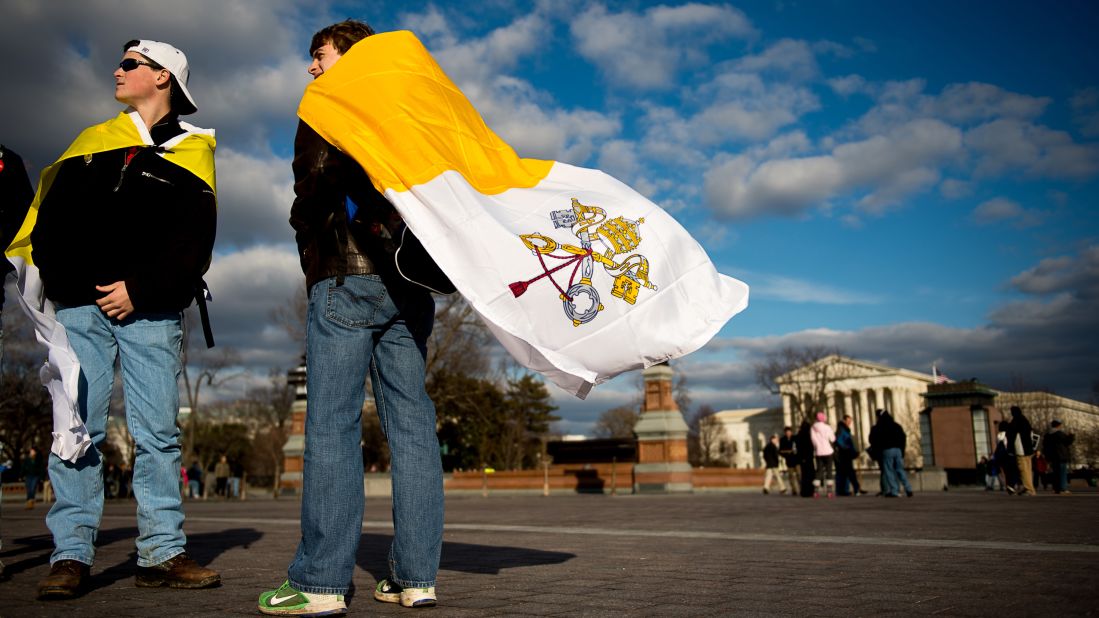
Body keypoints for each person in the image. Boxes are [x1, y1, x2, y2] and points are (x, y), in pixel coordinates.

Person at [258, 20, 443, 615]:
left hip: (348, 274)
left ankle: (320, 583)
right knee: (412, 427)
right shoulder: (413, 113)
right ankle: (415, 578)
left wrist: (303, 225)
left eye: (319, 54)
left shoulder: (330, 105)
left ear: (349, 55)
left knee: (332, 426)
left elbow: (312, 183)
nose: (312, 67)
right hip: (410, 285)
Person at [28, 39, 219, 599]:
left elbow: (194, 245)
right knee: (77, 428)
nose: (117, 70)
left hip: (152, 312)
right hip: (81, 309)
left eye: (130, 65)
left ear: (163, 78)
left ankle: (161, 552)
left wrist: (139, 289)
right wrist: (76, 288)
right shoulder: (91, 143)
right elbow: (49, 225)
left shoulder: (194, 152)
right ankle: (70, 556)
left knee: (158, 433)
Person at [869, 409, 913, 498]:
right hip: (898, 450)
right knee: (900, 470)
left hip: (887, 450)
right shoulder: (896, 426)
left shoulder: (879, 426)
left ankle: (894, 490)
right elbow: (903, 437)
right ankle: (908, 488)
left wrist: (877, 450)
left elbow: (873, 439)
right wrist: (902, 450)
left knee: (889, 471)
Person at [1004, 406, 1036, 496]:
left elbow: (1011, 434)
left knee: (1023, 470)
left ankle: (1029, 489)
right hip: (1028, 450)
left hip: (1021, 450)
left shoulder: (1016, 422)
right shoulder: (1025, 421)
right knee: (1028, 470)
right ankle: (1030, 488)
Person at [1042, 420, 1075, 495]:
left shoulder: (1048, 435)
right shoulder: (1059, 434)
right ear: (1058, 425)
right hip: (1061, 456)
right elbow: (1067, 442)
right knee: (1062, 473)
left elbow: (1045, 446)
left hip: (1053, 456)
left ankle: (1056, 488)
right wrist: (1071, 435)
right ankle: (1063, 488)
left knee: (1055, 473)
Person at [809, 412, 836, 498]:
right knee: (829, 471)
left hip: (818, 452)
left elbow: (813, 440)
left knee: (819, 471)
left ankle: (816, 491)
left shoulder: (813, 428)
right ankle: (829, 491)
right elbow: (833, 438)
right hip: (828, 451)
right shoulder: (827, 427)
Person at [834, 415, 862, 496]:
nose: (850, 423)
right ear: (844, 421)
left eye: (850, 421)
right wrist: (851, 452)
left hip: (844, 454)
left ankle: (842, 490)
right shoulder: (842, 430)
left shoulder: (843, 430)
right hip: (844, 454)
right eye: (848, 421)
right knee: (849, 473)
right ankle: (855, 489)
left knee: (843, 473)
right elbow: (843, 443)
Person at [794, 421, 816, 497]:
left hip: (802, 459)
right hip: (808, 458)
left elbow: (798, 448)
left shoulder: (798, 436)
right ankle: (810, 491)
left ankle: (804, 491)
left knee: (804, 476)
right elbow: (811, 447)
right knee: (810, 475)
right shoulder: (808, 436)